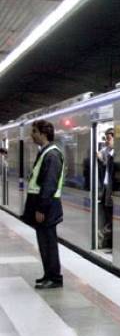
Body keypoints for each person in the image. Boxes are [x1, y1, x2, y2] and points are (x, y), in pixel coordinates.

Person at [22, 120, 64, 289]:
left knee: (49, 244)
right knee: (44, 243)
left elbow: (49, 184)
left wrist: (41, 209)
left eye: (34, 131)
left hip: (47, 208)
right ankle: (48, 274)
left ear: (43, 133)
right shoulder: (46, 152)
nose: (32, 134)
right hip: (43, 206)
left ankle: (54, 277)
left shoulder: (52, 155)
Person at [96, 128, 115, 249]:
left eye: (108, 139)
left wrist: (102, 160)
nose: (106, 141)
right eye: (105, 139)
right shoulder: (106, 150)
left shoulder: (116, 154)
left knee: (112, 216)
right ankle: (107, 240)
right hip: (105, 189)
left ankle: (105, 237)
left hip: (112, 189)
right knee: (107, 214)